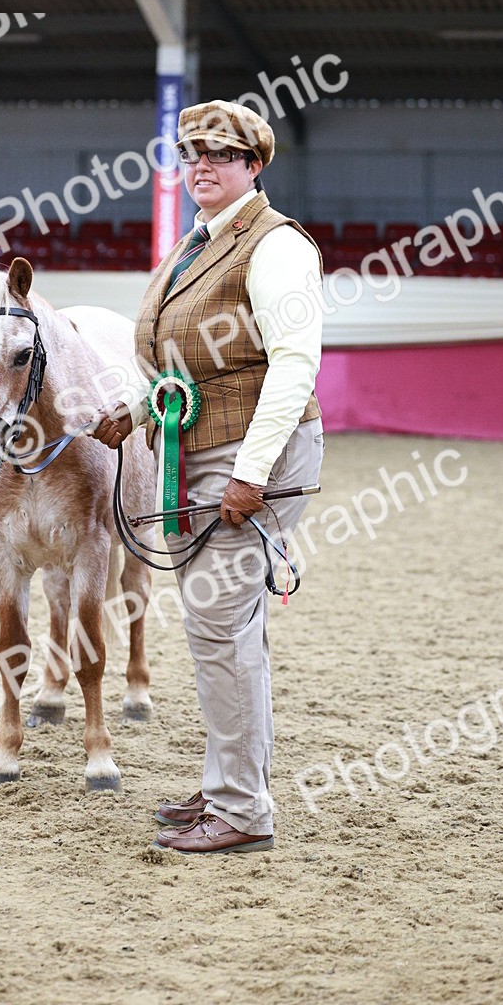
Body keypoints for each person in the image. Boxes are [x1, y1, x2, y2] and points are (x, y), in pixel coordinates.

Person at [92, 99, 324, 854]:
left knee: (219, 628)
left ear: (253, 166)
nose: (201, 165)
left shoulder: (276, 245)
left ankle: (244, 812)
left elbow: (294, 366)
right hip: (197, 451)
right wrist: (132, 410)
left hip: (248, 457)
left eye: (221, 154)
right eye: (192, 153)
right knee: (226, 632)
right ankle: (231, 784)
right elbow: (178, 364)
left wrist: (250, 475)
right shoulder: (197, 244)